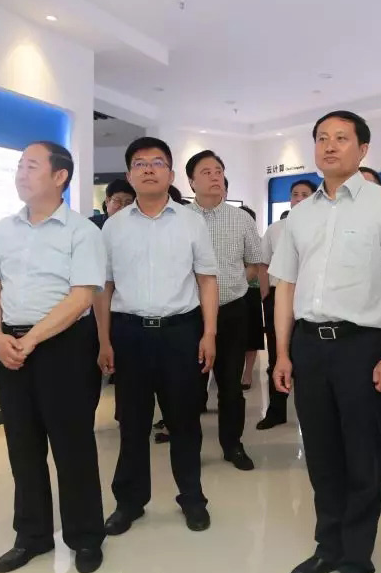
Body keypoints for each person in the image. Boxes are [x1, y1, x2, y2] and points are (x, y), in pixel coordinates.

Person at [270, 110, 381, 573]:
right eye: (322, 138)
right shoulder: (300, 216)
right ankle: (327, 547)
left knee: (362, 459)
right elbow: (285, 287)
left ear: (363, 149)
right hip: (310, 345)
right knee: (322, 454)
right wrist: (282, 352)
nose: (330, 146)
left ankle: (356, 561)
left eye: (341, 138)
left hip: (362, 346)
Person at [0, 141, 106, 573]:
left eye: (31, 166)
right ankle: (32, 536)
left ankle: (85, 537)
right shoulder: (3, 230)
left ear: (60, 176)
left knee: (72, 446)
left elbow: (81, 296)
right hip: (10, 349)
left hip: (63, 348)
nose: (21, 173)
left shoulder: (81, 231)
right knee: (22, 446)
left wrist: (30, 340)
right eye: (19, 166)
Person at [97, 137, 219, 536]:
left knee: (185, 422)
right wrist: (104, 340)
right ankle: (129, 502)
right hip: (129, 333)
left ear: (170, 173)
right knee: (131, 423)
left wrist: (209, 333)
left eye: (157, 162)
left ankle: (192, 499)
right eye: (140, 163)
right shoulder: (113, 226)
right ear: (129, 174)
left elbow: (207, 280)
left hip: (180, 333)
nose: (148, 169)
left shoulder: (191, 221)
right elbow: (104, 287)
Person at [187, 149, 264, 471]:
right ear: (191, 182)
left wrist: (235, 282)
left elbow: (254, 262)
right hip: (189, 315)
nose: (215, 176)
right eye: (206, 172)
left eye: (218, 170)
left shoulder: (242, 218)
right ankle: (188, 448)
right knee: (189, 386)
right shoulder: (180, 218)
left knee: (231, 386)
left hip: (232, 311)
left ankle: (233, 445)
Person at [256, 179, 317, 430]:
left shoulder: (321, 226)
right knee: (277, 355)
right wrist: (265, 295)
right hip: (278, 298)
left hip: (309, 299)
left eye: (305, 194)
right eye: (295, 194)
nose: (299, 198)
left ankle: (309, 413)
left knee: (306, 358)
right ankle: (276, 411)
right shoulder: (276, 229)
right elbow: (263, 263)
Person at [238, 205, 265, 390]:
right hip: (230, 294)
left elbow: (261, 270)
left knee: (252, 336)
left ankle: (247, 374)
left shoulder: (259, 242)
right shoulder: (228, 239)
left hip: (251, 292)